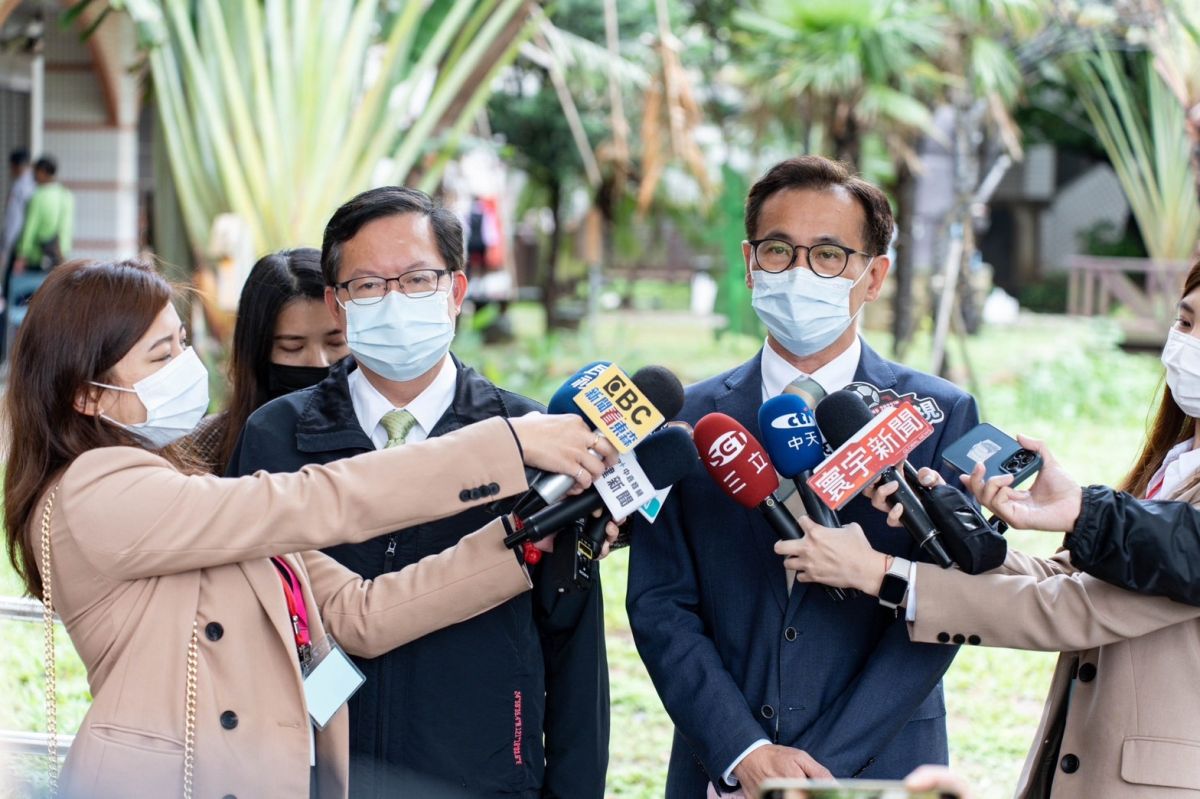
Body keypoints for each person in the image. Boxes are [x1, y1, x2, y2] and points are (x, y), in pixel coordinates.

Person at [3, 258, 616, 798]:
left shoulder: (187, 497)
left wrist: (524, 537)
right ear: (87, 395)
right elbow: (314, 500)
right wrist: (504, 444)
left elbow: (361, 612)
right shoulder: (94, 491)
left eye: (183, 343)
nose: (187, 368)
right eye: (161, 356)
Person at [230, 186, 611, 798]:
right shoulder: (275, 435)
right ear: (336, 304)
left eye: (415, 280)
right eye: (368, 286)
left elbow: (572, 646)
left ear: (456, 292)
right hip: (313, 776)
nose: (394, 300)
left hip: (481, 777)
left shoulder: (534, 441)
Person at [626, 155, 980, 798]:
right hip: (725, 770)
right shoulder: (688, 421)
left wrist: (823, 771)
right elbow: (659, 605)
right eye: (779, 250)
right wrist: (745, 751)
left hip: (884, 763)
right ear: (749, 261)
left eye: (828, 255)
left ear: (874, 277)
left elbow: (946, 604)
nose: (798, 271)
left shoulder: (939, 414)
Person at [778, 260, 1200, 798]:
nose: (1188, 346)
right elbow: (1064, 579)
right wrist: (938, 522)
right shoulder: (1176, 462)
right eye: (1186, 324)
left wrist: (883, 573)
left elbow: (1072, 609)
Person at [185, 248, 349, 473]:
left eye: (336, 342)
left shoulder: (386, 434)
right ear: (258, 351)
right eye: (293, 347)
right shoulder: (206, 446)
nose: (319, 362)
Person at [12, 155, 73, 274]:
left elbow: (30, 227)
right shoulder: (66, 194)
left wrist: (21, 255)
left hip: (36, 256)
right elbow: (67, 227)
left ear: (42, 172)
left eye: (35, 172)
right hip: (58, 256)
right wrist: (63, 252)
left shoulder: (38, 196)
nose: (34, 176)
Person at [3, 148, 35, 269]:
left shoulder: (19, 187)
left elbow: (14, 219)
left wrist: (5, 246)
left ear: (17, 166)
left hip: (17, 242)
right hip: (30, 244)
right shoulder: (35, 184)